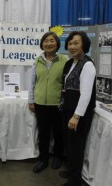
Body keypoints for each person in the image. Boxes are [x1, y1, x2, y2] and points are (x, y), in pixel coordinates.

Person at [59, 31, 96, 186]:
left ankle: (75, 180)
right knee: (70, 144)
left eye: (76, 43)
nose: (72, 46)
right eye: (70, 43)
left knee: (77, 146)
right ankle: (71, 170)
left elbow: (86, 94)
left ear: (84, 45)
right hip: (68, 108)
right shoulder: (71, 62)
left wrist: (76, 116)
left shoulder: (87, 64)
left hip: (78, 113)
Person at [28, 31, 68, 173]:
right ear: (42, 44)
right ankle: (43, 159)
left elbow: (67, 83)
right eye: (46, 41)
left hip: (57, 104)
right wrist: (31, 100)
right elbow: (33, 82)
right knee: (43, 133)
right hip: (40, 104)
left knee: (58, 132)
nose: (49, 43)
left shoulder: (64, 60)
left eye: (52, 40)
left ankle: (57, 156)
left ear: (57, 43)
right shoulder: (37, 60)